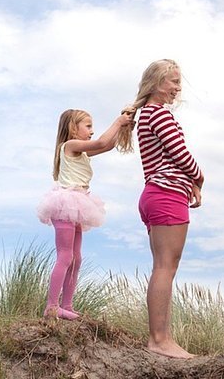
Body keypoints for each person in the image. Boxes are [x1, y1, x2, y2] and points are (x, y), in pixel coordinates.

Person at [116, 59, 204, 358]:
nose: (178, 88)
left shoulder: (148, 115)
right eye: (173, 81)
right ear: (156, 83)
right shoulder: (159, 114)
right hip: (166, 194)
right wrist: (200, 177)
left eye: (179, 82)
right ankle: (159, 340)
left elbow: (169, 156)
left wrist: (188, 182)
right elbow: (180, 154)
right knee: (165, 267)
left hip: (158, 193)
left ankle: (162, 339)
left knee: (165, 266)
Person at [38, 109, 133, 320]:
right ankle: (52, 307)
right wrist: (118, 121)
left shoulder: (82, 152)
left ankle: (67, 305)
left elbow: (107, 144)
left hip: (78, 203)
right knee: (65, 255)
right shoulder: (70, 146)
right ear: (73, 128)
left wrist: (124, 126)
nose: (92, 131)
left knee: (76, 258)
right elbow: (100, 142)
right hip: (66, 203)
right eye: (88, 126)